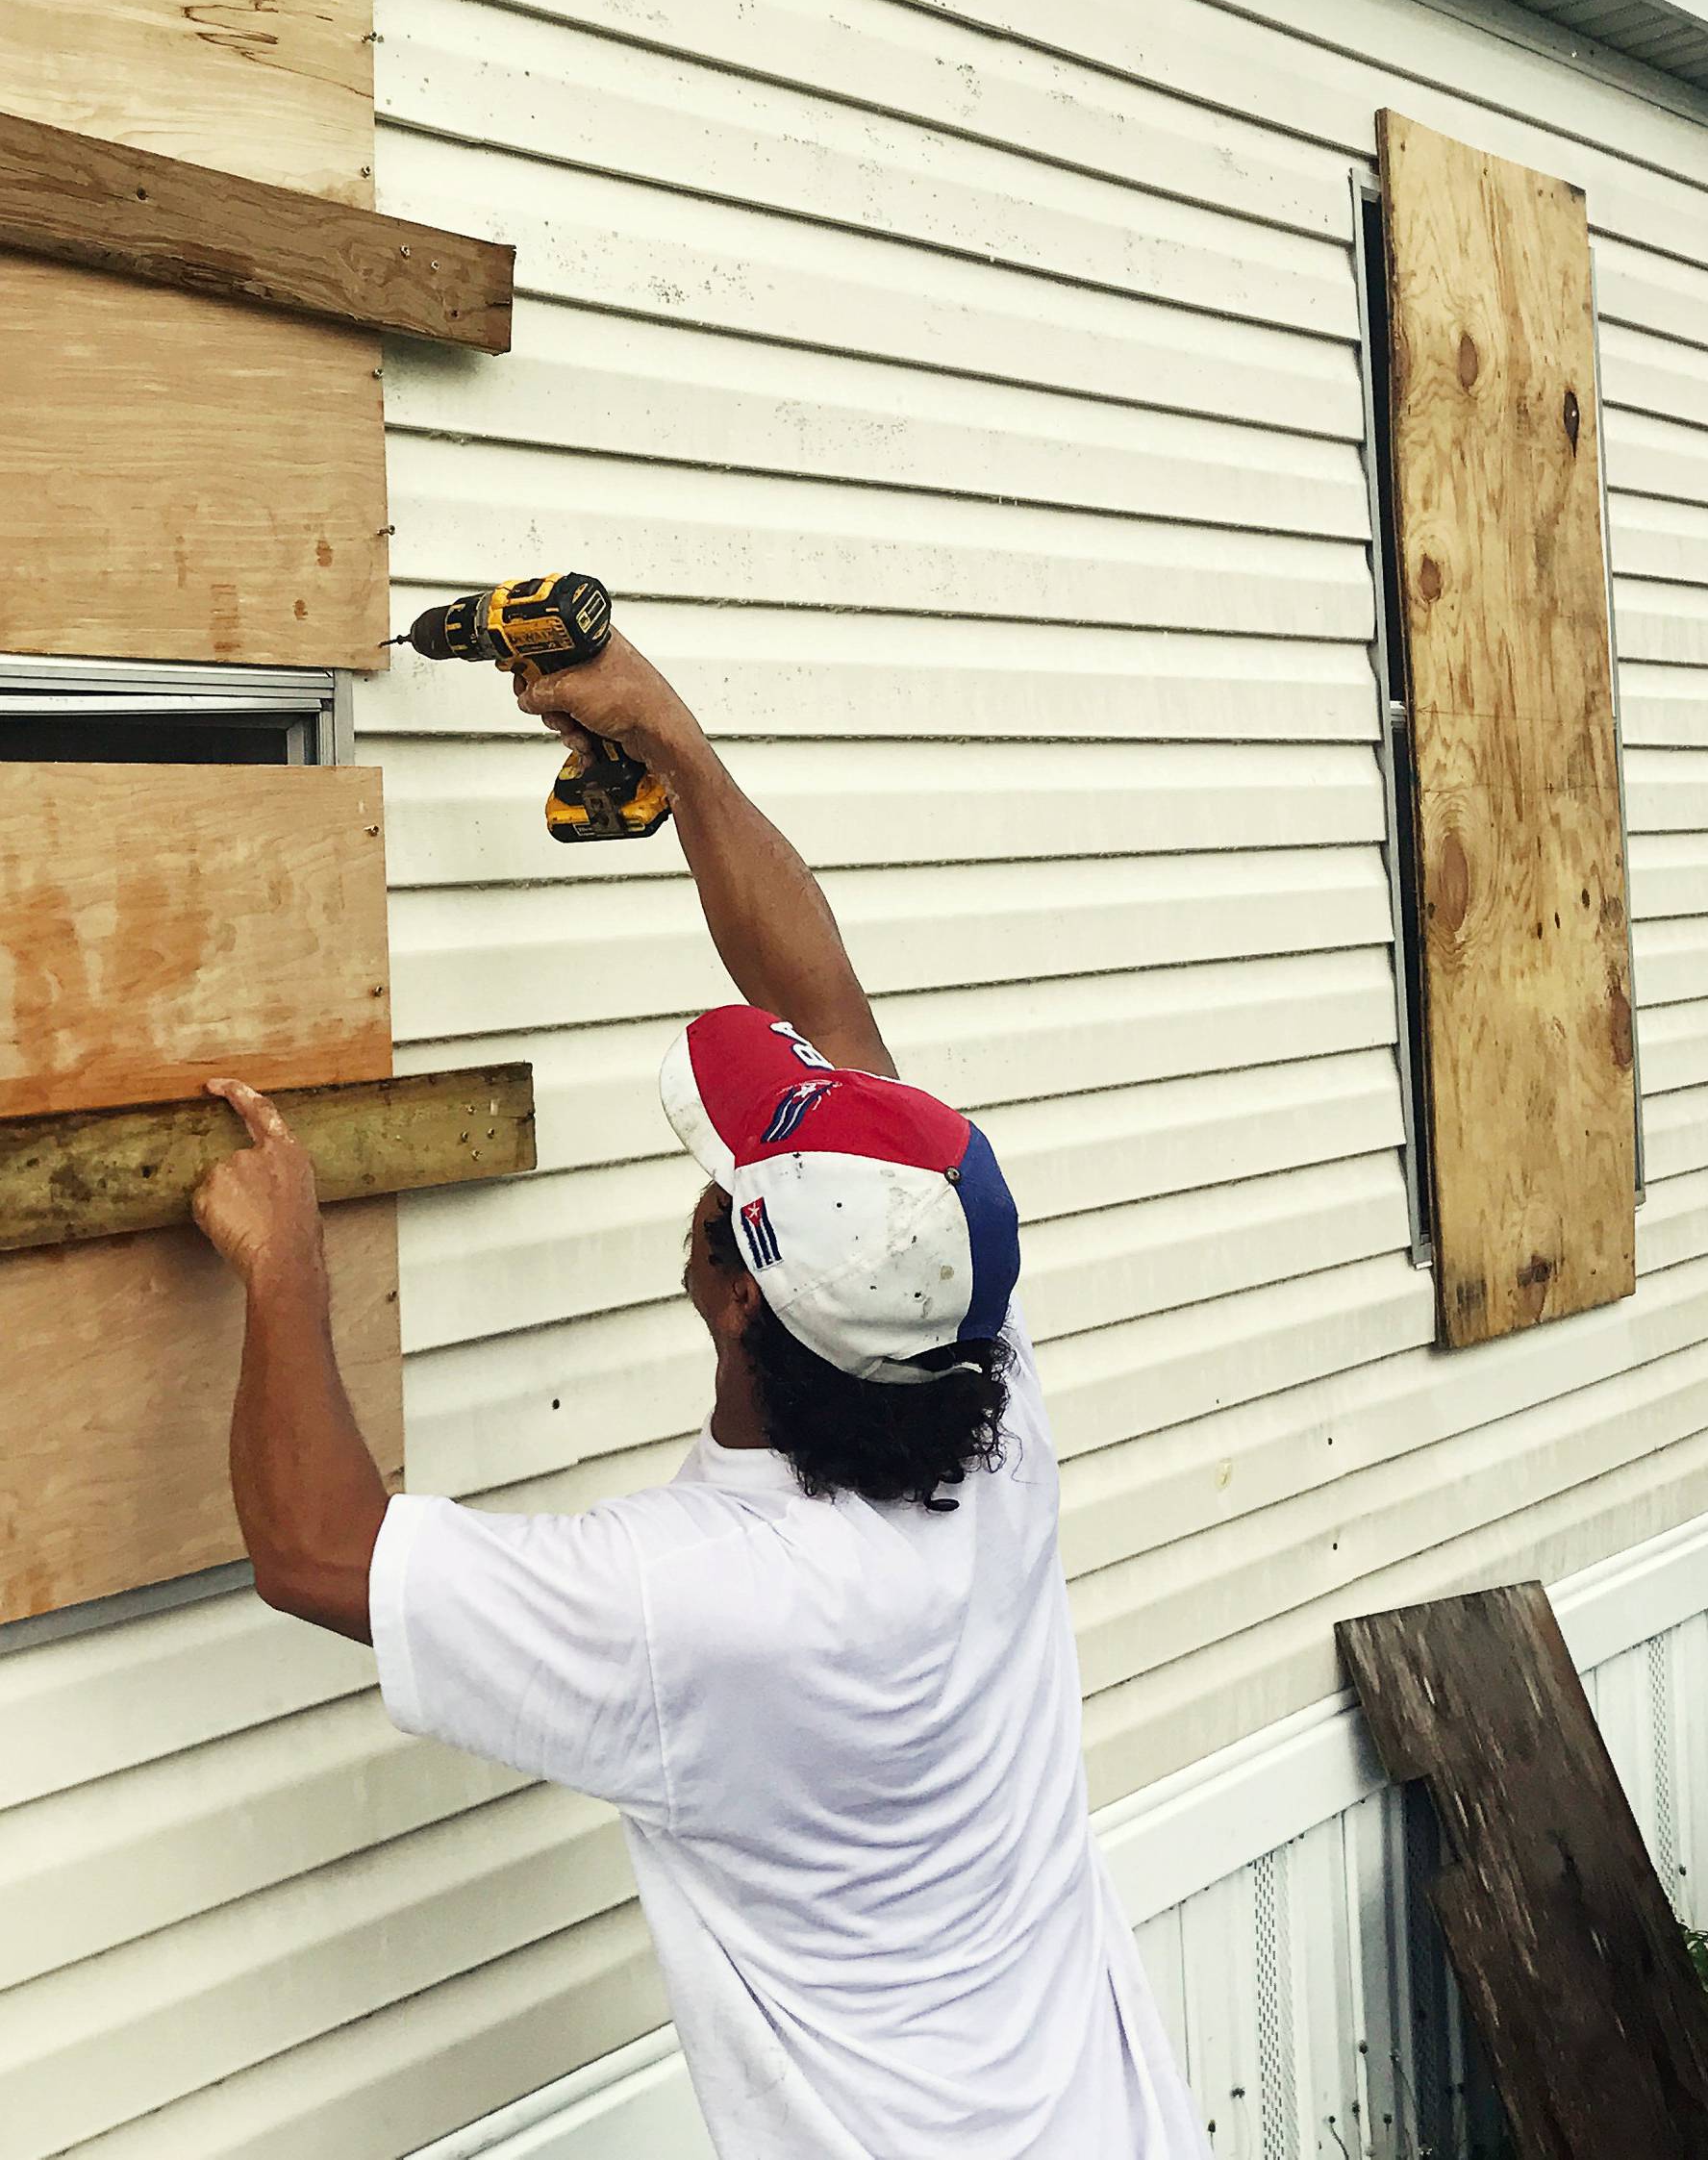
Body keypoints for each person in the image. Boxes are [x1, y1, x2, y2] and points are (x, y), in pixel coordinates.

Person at [191, 623, 1210, 2160]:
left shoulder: (713, 1607)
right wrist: (669, 734)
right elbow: (834, 1018)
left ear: (735, 1295)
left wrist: (284, 1261)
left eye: (722, 1187)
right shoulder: (972, 1382)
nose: (706, 1185)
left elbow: (320, 1550)